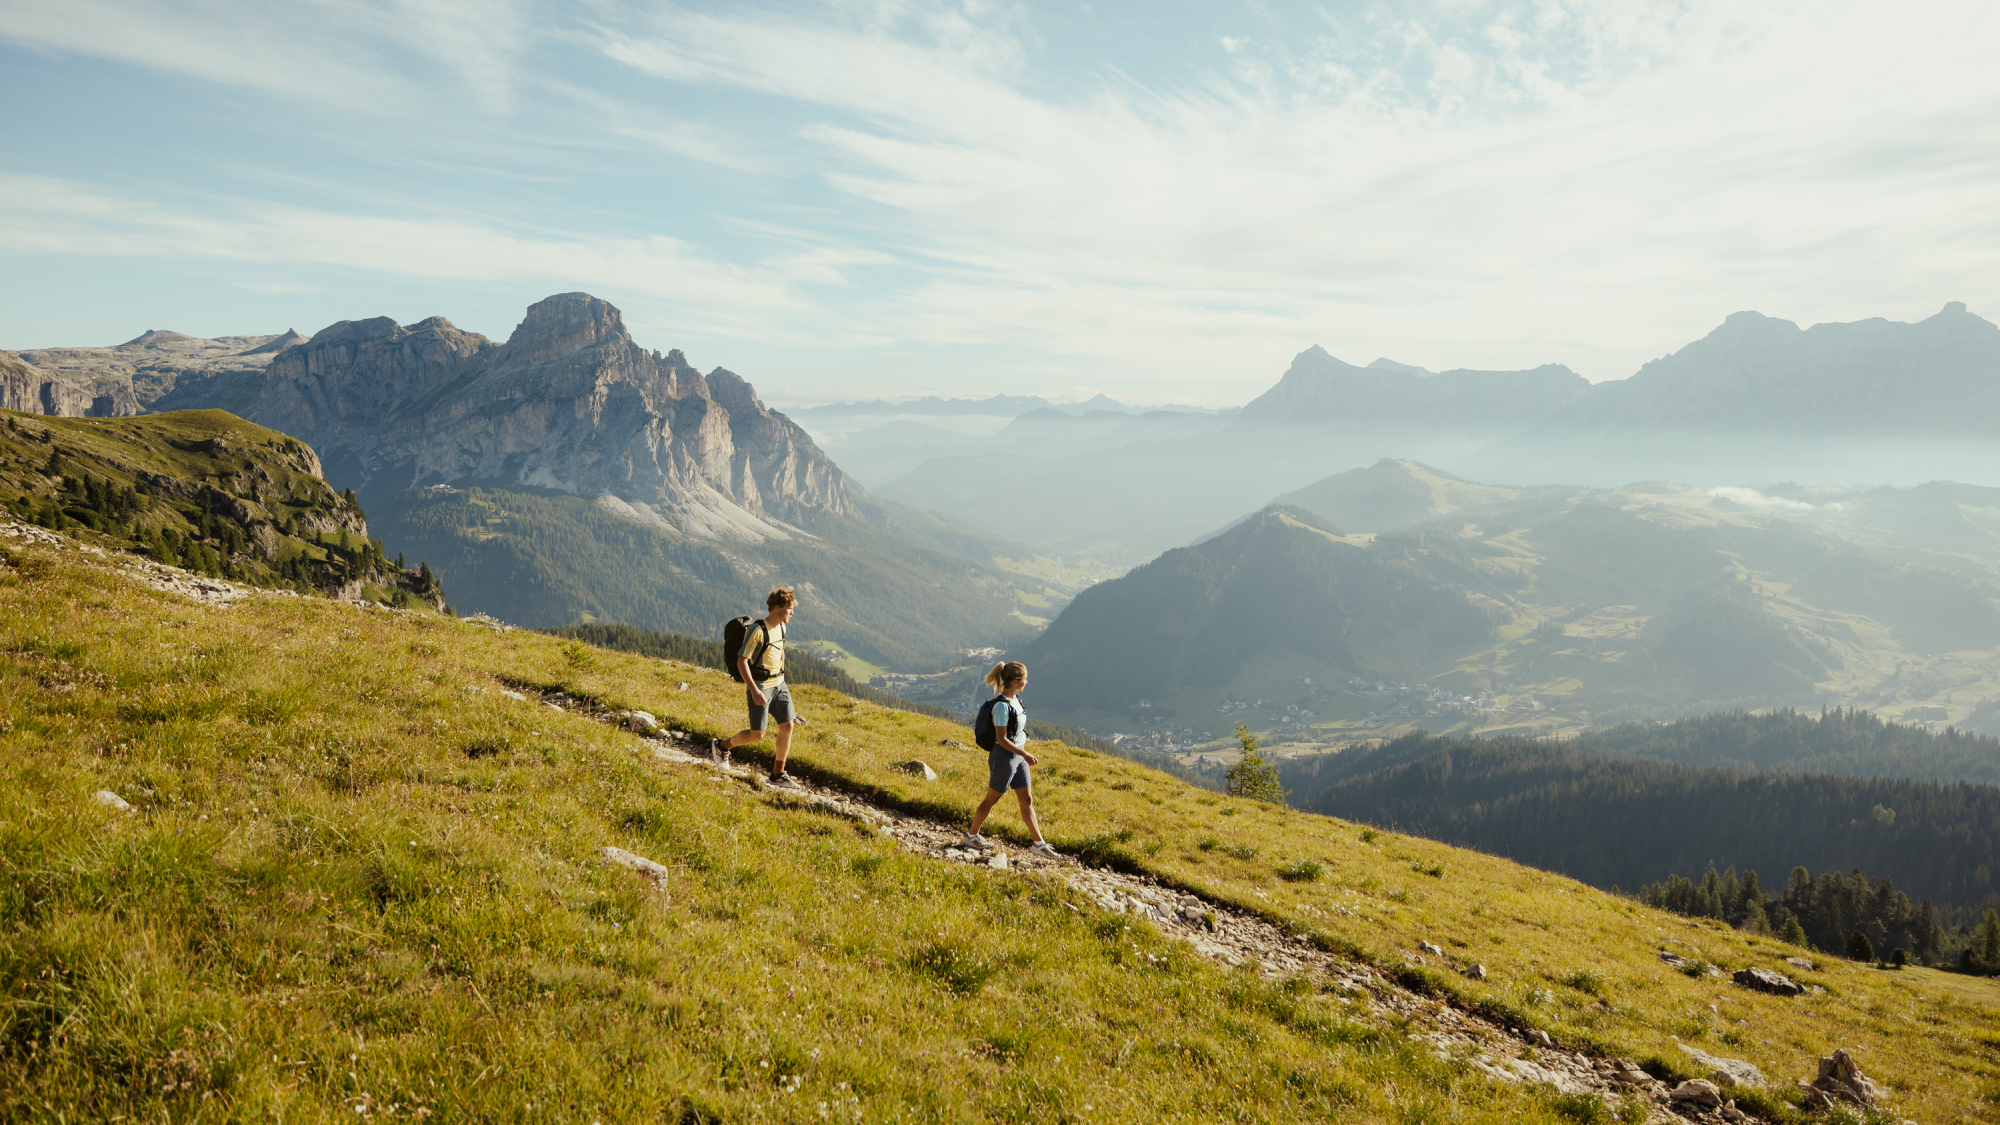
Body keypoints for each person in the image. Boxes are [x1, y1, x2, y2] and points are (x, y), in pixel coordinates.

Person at [965, 660, 1059, 856]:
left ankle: (1038, 844)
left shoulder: (1016, 699)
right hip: (1005, 757)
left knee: (1027, 800)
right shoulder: (1001, 707)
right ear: (1015, 681)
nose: (1027, 682)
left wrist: (1023, 752)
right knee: (991, 800)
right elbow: (1001, 739)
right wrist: (1024, 753)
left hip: (1018, 755)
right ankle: (972, 836)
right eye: (1024, 679)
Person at [712, 587, 803, 788]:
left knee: (787, 725)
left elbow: (780, 652)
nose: (792, 612)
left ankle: (777, 774)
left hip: (779, 684)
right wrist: (754, 690)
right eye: (789, 608)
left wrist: (782, 675)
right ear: (777, 608)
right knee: (757, 734)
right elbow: (742, 661)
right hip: (761, 686)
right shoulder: (758, 630)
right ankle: (722, 746)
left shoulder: (781, 627)